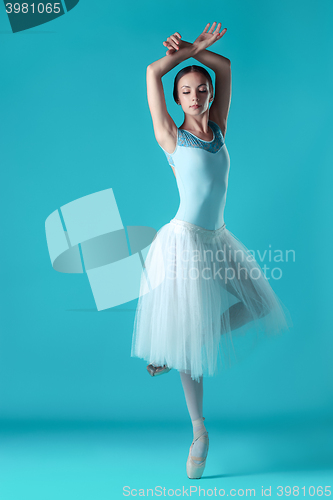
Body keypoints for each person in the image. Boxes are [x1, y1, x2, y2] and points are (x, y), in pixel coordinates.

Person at [131, 22, 293, 479]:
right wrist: (187, 53)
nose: (197, 95)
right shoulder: (171, 138)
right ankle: (199, 432)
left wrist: (195, 52)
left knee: (259, 304)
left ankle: (180, 347)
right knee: (189, 332)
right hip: (184, 242)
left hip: (218, 237)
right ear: (177, 100)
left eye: (202, 89)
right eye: (187, 91)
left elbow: (225, 67)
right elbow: (150, 73)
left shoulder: (219, 126)